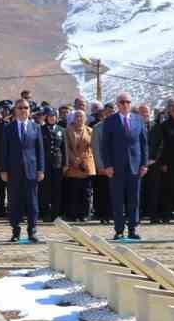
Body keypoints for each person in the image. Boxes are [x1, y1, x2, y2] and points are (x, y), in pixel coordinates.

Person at [98, 93, 149, 241]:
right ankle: (119, 230)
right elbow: (105, 146)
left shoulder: (138, 120)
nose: (125, 104)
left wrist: (144, 164)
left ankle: (133, 229)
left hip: (135, 166)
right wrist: (108, 165)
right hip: (116, 167)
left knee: (134, 199)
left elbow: (144, 143)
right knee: (118, 199)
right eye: (122, 102)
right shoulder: (110, 121)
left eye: (128, 102)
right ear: (117, 104)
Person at [0, 97, 47, 242]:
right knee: (14, 202)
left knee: (32, 202)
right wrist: (3, 170)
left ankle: (32, 231)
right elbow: (4, 151)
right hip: (13, 171)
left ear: (29, 110)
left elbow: (40, 150)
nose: (23, 110)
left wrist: (41, 169)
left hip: (31, 170)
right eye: (20, 108)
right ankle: (15, 231)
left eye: (26, 108)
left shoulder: (35, 127)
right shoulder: (8, 128)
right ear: (15, 110)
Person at [63, 110, 96, 220]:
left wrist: (81, 159)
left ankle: (84, 214)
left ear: (85, 118)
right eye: (77, 116)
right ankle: (73, 214)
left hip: (86, 165)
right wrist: (74, 159)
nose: (79, 118)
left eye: (81, 116)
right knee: (73, 191)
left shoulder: (90, 131)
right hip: (72, 165)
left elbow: (92, 148)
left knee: (86, 191)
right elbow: (66, 147)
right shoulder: (67, 131)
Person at [38, 108, 66, 223]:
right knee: (45, 189)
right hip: (45, 163)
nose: (52, 118)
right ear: (46, 118)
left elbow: (64, 148)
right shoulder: (40, 129)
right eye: (50, 116)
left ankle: (55, 213)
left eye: (54, 116)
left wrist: (65, 164)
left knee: (57, 189)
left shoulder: (61, 130)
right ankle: (44, 213)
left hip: (57, 164)